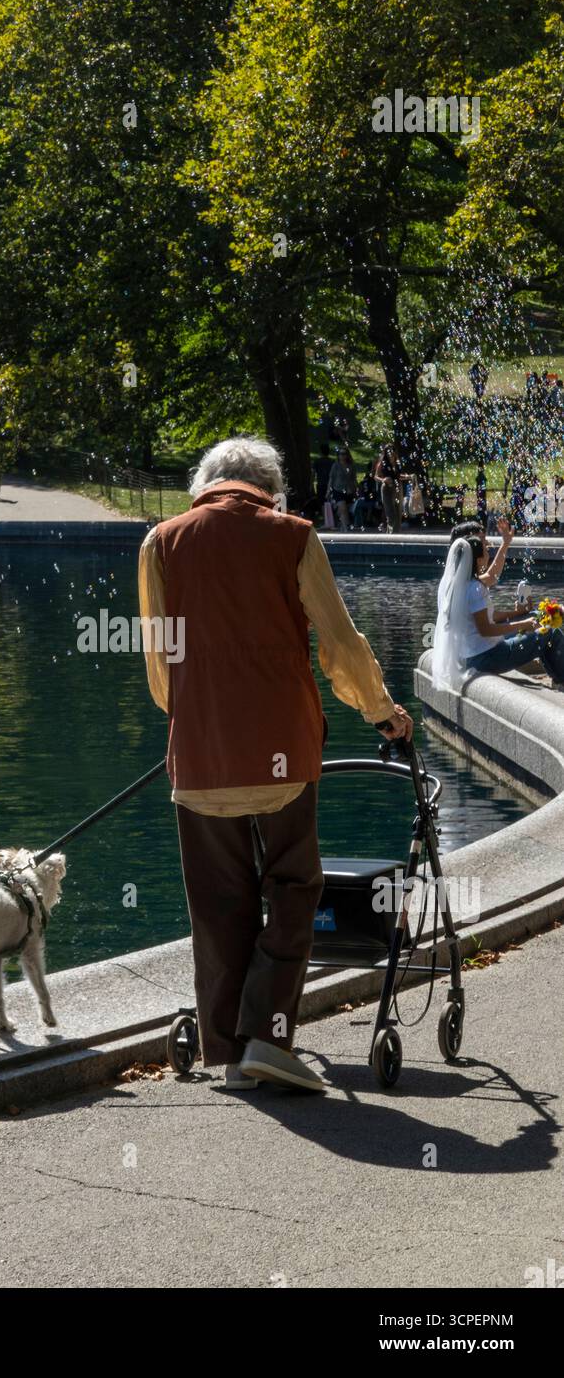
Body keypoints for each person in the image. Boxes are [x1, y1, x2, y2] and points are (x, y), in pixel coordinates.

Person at [138, 436, 412, 1094]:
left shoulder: (160, 543)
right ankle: (268, 1036)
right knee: (292, 891)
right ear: (270, 486)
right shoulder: (292, 536)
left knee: (218, 906)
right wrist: (380, 710)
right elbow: (341, 644)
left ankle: (232, 1058)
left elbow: (160, 664)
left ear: (204, 484)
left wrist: (194, 721)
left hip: (199, 760)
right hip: (282, 756)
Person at [433, 534, 564, 691]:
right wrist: (522, 625)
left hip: (470, 655)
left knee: (537, 618)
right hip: (488, 657)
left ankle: (558, 677)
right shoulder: (475, 588)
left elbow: (485, 619)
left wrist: (518, 615)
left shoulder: (451, 587)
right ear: (478, 559)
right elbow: (485, 630)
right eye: (485, 551)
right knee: (550, 632)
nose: (489, 555)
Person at [374, 444, 404, 532]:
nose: (390, 453)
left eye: (392, 450)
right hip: (387, 488)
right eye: (388, 451)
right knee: (391, 513)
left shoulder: (397, 463)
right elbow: (376, 476)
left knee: (398, 513)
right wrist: (383, 479)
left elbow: (399, 476)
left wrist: (409, 476)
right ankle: (392, 536)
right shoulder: (382, 463)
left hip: (398, 487)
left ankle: (394, 534)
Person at [326, 446, 357, 530]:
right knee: (342, 508)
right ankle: (345, 528)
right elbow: (331, 478)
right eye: (340, 454)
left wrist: (356, 489)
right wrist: (328, 490)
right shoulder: (335, 465)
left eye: (344, 454)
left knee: (345, 510)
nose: (342, 456)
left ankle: (344, 525)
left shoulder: (351, 466)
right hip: (338, 489)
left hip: (349, 490)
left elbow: (354, 479)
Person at [312, 443, 335, 516]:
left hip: (321, 483)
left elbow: (313, 473)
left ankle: (325, 517)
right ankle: (331, 516)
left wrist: (311, 482)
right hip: (330, 484)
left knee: (322, 501)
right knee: (330, 500)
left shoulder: (317, 462)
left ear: (321, 452)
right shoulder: (332, 462)